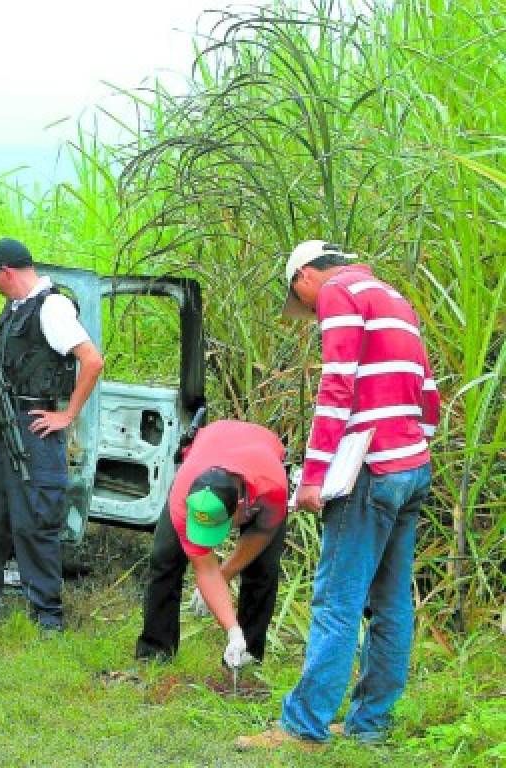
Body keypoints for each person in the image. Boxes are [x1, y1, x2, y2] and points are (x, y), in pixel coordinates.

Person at [238, 240, 439, 750]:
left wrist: (314, 476)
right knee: (391, 604)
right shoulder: (393, 296)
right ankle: (370, 723)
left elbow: (337, 387)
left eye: (301, 298)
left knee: (336, 602)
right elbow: (427, 388)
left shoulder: (339, 291)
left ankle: (303, 727)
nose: (307, 308)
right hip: (412, 465)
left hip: (369, 469)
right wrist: (414, 448)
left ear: (306, 274)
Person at [0, 237, 103, 633]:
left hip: (35, 426)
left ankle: (47, 615)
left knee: (34, 519)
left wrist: (67, 414)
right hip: (2, 422)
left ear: (6, 271)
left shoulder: (51, 307)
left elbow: (92, 360)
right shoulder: (14, 309)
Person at [134, 420, 288, 667]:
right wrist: (231, 630)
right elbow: (205, 567)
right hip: (209, 448)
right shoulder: (185, 495)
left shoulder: (272, 488)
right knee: (165, 556)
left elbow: (259, 536)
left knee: (263, 569)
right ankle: (155, 652)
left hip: (261, 455)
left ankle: (245, 656)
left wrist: (224, 574)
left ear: (240, 509)